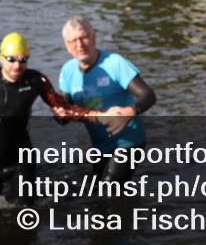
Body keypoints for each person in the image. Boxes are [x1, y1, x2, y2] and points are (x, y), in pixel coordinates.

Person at [0, 32, 125, 204]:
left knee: (26, 212)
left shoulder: (36, 80)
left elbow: (64, 109)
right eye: (11, 59)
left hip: (21, 160)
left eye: (23, 60)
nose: (17, 66)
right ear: (1, 58)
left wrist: (101, 116)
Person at [58, 17, 155, 182]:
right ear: (67, 46)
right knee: (95, 190)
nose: (80, 45)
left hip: (129, 142)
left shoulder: (115, 63)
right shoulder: (68, 71)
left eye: (84, 37)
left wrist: (130, 111)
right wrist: (59, 110)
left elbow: (149, 96)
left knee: (109, 189)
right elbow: (63, 117)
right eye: (73, 41)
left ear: (93, 38)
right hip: (100, 145)